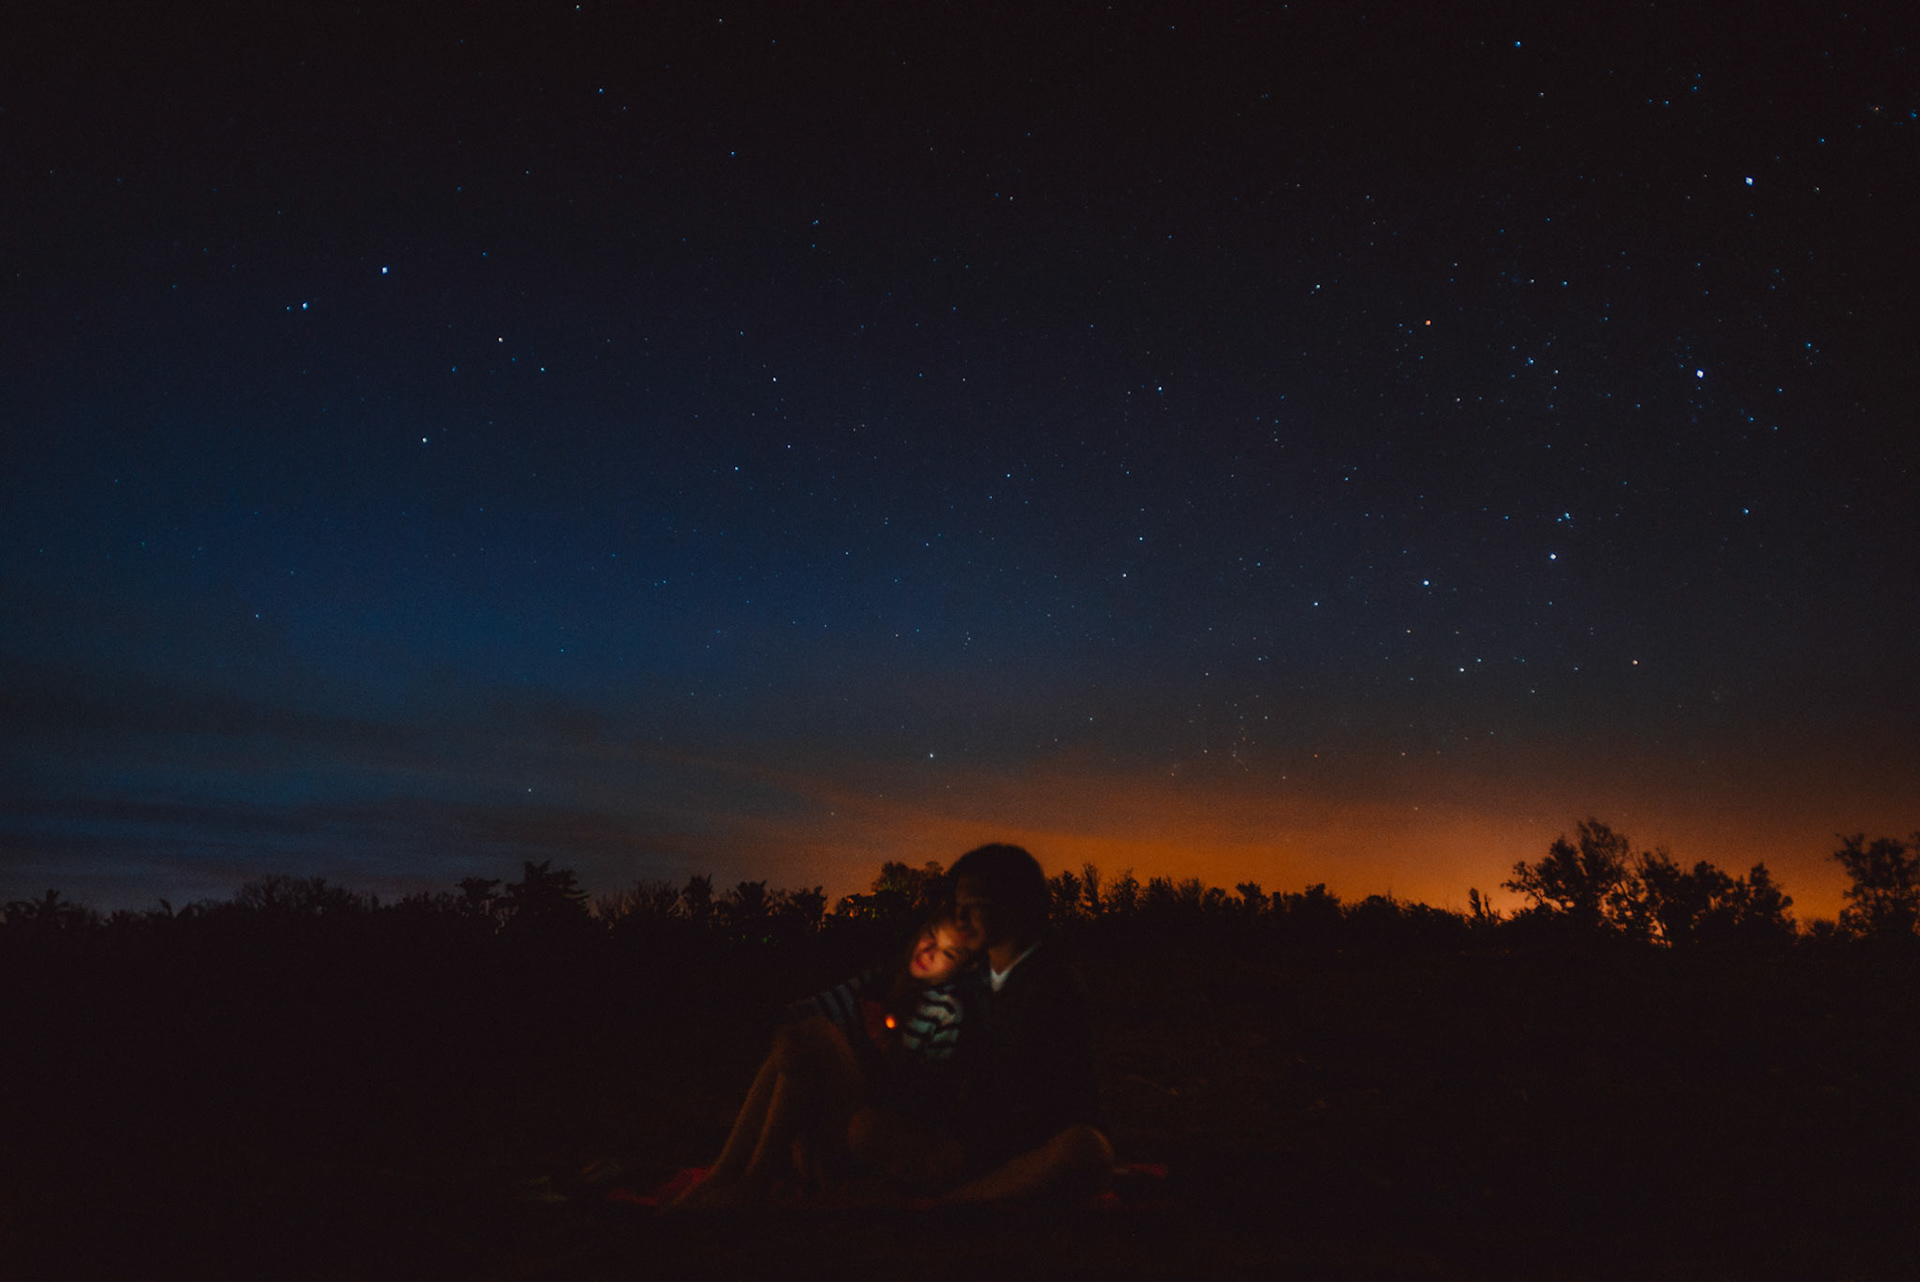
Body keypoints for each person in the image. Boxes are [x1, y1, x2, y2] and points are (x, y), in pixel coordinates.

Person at [848, 843, 1114, 1203]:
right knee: (865, 1128)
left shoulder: (1052, 984)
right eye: (957, 907)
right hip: (967, 1144)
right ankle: (967, 1197)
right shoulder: (967, 983)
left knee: (1084, 1148)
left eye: (974, 905)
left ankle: (952, 1203)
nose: (960, 918)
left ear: (1014, 905)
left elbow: (1062, 1100)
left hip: (1024, 1147)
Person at [672, 908, 981, 1208]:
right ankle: (727, 1175)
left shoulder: (947, 1012)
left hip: (868, 1140)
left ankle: (747, 1180)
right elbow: (801, 1011)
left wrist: (887, 1046)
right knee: (799, 1042)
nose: (929, 952)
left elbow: (924, 1102)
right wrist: (783, 1041)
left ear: (961, 967)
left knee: (817, 1034)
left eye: (947, 953)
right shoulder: (885, 978)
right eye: (930, 937)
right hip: (827, 1133)